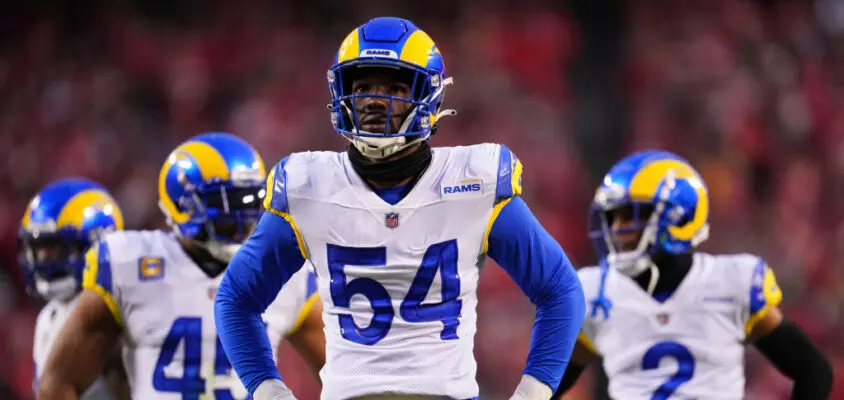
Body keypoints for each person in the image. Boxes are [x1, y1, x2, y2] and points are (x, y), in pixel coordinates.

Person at [215, 16, 585, 400]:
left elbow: (559, 288)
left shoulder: (473, 182)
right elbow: (236, 299)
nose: (375, 99)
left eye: (394, 86)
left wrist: (533, 391)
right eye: (363, 86)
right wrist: (268, 389)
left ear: (428, 96)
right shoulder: (308, 186)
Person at [36, 133, 325, 399]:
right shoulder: (128, 264)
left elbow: (340, 373)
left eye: (247, 203)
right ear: (184, 204)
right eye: (225, 207)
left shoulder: (287, 274)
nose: (242, 220)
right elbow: (60, 381)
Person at [552, 150, 833, 400]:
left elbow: (813, 371)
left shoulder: (732, 283)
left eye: (631, 215)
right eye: (613, 217)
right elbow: (543, 388)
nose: (616, 229)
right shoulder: (595, 293)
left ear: (680, 218)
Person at [21, 178, 129, 399]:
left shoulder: (119, 308)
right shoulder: (49, 316)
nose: (42, 261)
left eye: (55, 251)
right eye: (38, 250)